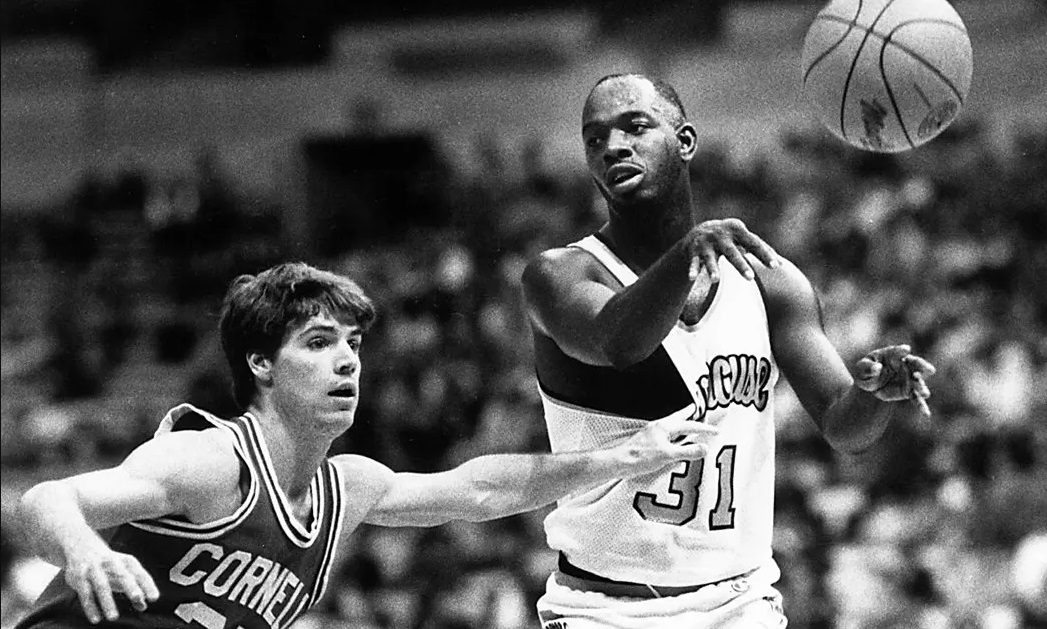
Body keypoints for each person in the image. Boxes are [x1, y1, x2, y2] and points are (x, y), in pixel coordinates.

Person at [13, 261, 729, 629]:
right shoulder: (213, 462)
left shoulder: (346, 489)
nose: (348, 362)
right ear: (261, 364)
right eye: (318, 343)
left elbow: (480, 489)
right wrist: (85, 552)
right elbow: (46, 499)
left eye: (353, 345)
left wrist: (623, 456)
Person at [520, 73, 937, 628]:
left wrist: (873, 395)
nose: (613, 146)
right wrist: (685, 254)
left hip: (737, 603)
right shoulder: (560, 274)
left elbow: (844, 428)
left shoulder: (769, 283)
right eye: (595, 139)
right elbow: (617, 342)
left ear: (685, 141)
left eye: (635, 127)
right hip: (602, 609)